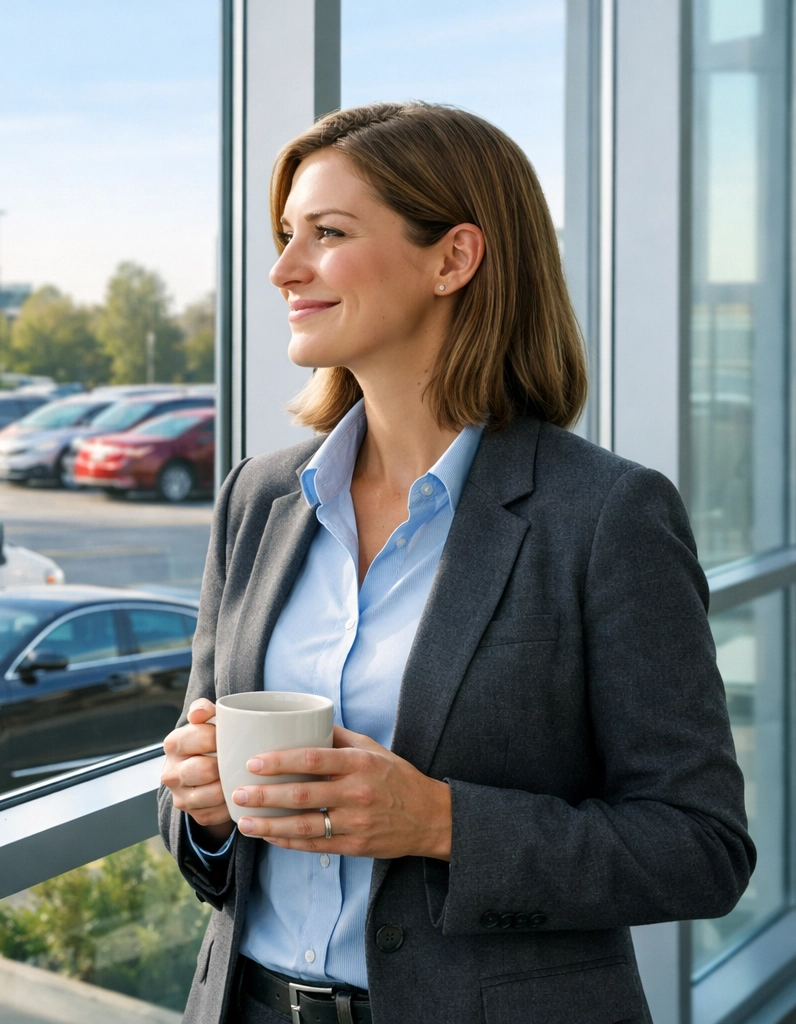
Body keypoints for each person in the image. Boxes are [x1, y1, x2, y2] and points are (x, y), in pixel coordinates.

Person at [158, 102, 754, 1024]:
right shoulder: (258, 499)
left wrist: (439, 822)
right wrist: (202, 812)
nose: (283, 270)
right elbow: (204, 800)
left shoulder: (605, 517)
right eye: (286, 236)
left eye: (328, 233)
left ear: (454, 258)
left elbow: (701, 847)